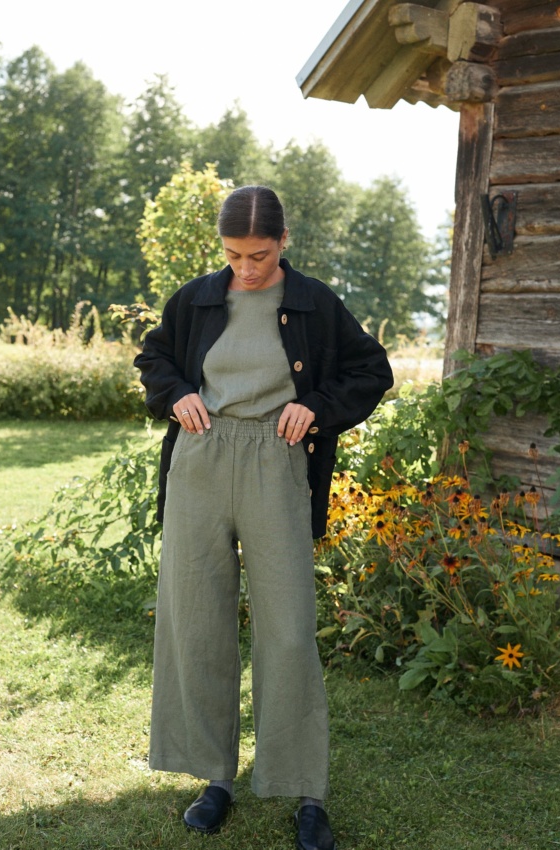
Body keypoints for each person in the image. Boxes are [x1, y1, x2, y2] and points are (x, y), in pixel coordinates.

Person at [135, 185, 393, 850]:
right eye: (234, 255)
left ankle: (306, 789)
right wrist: (178, 394)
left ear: (283, 243)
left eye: (260, 254)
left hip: (277, 464)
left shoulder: (314, 302)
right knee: (196, 621)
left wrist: (318, 406)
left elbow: (372, 370)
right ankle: (215, 777)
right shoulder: (196, 298)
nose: (246, 268)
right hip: (199, 461)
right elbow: (154, 357)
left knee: (287, 630)